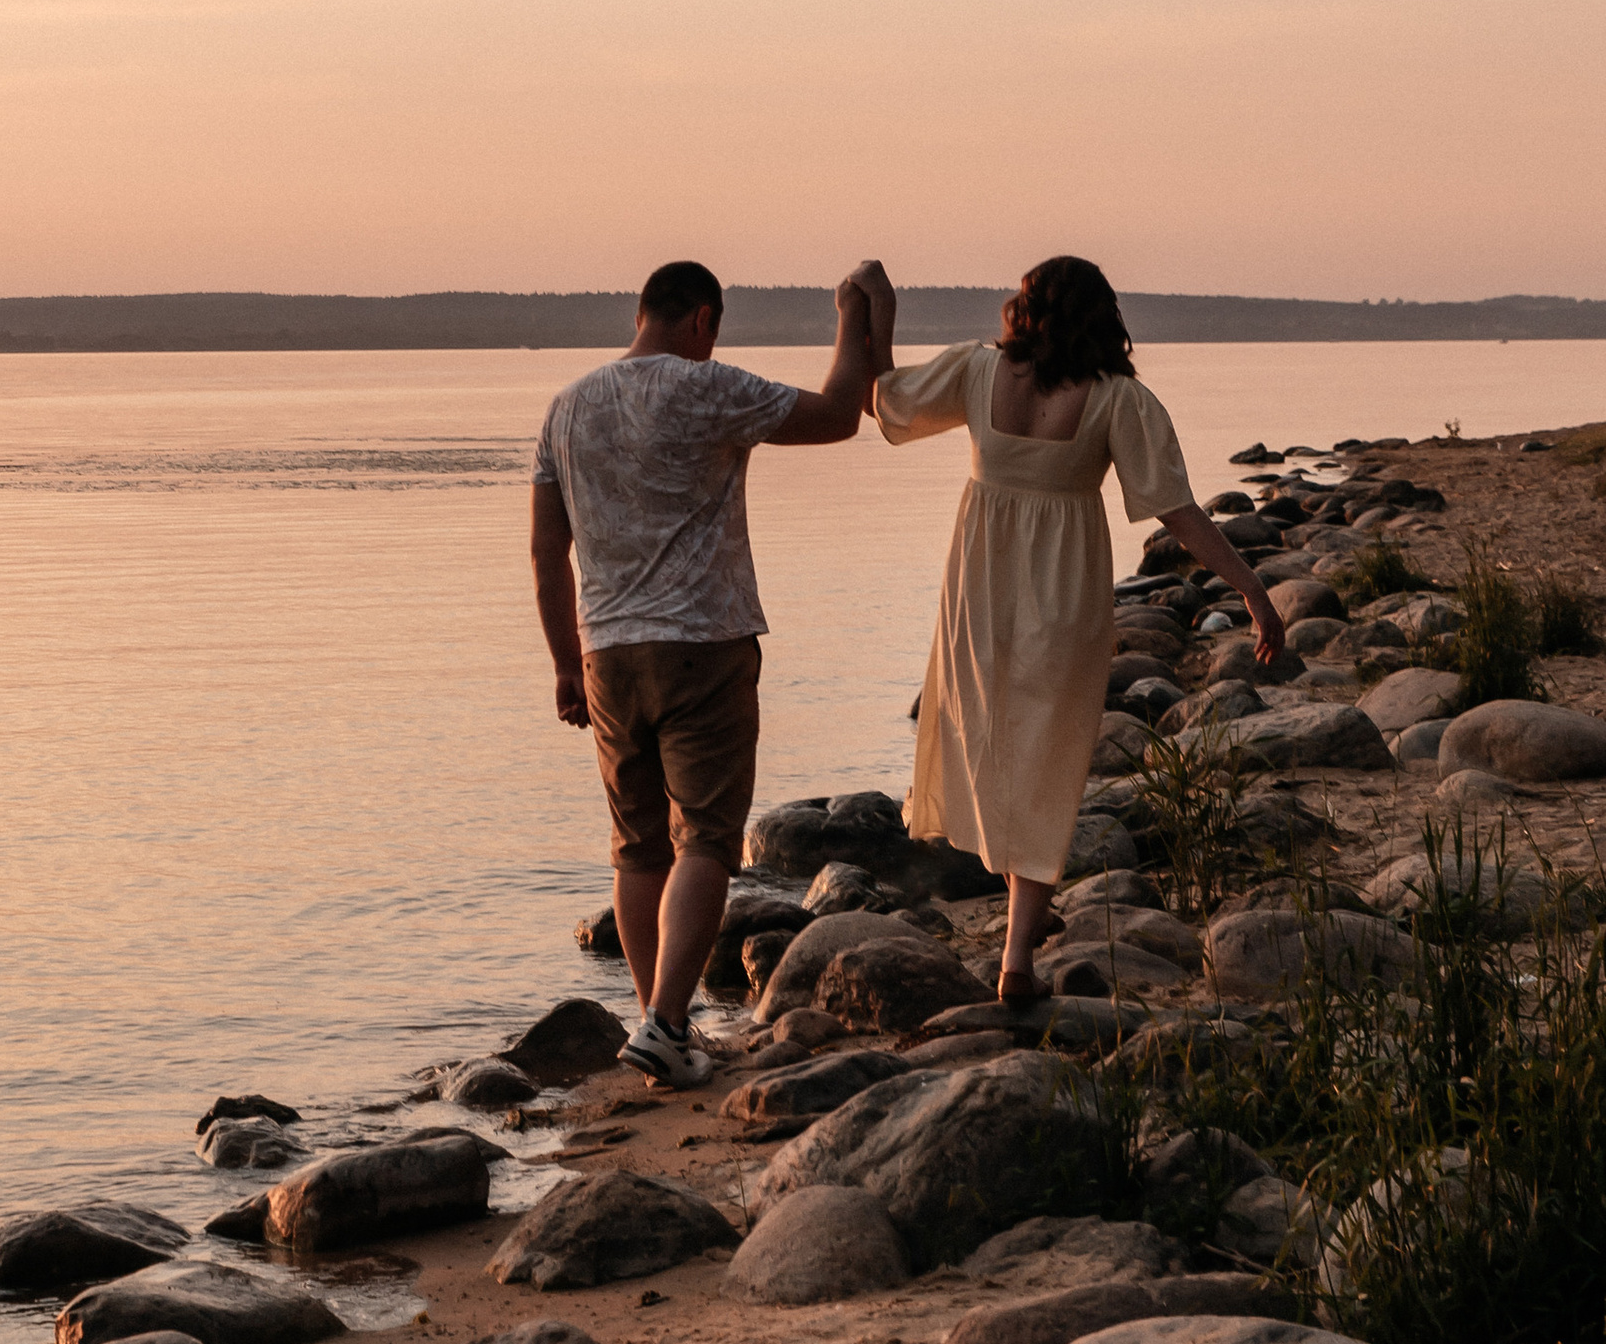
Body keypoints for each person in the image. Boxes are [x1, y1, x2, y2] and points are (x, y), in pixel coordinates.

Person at [873, 254, 1284, 1004]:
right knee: (1046, 756)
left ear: (1024, 309)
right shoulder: (1115, 399)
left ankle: (1023, 916)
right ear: (1105, 318)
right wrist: (1251, 586)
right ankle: (1016, 955)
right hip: (1063, 594)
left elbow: (885, 403)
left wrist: (871, 311)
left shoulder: (975, 370)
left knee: (989, 740)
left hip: (978, 586)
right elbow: (1178, 510)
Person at [532, 256, 887, 1086]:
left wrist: (562, 662)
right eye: (712, 331)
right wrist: (851, 314)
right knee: (710, 841)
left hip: (607, 653)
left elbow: (549, 552)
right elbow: (840, 414)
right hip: (704, 642)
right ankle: (663, 1022)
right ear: (701, 322)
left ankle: (661, 1026)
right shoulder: (707, 386)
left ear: (639, 314)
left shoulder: (566, 409)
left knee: (637, 849)